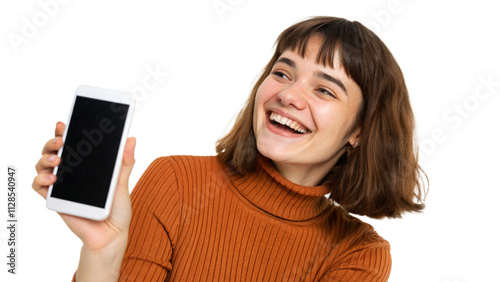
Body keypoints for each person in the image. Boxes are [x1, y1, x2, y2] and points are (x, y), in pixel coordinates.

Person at [33, 16, 426, 281]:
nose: (288, 95)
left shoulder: (359, 255)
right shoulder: (176, 182)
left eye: (323, 89)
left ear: (359, 130)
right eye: (282, 73)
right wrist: (105, 250)